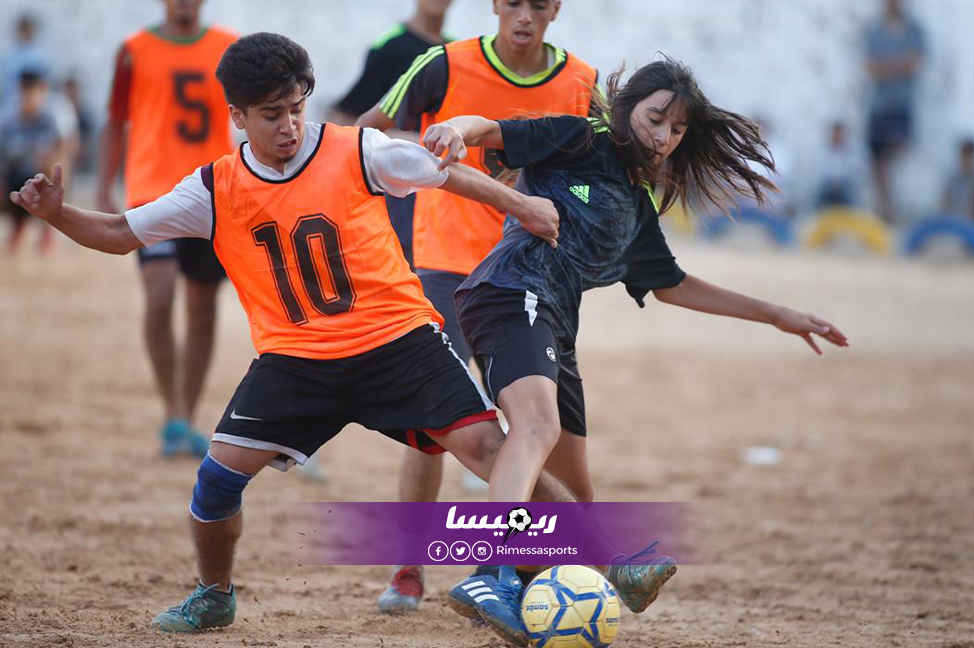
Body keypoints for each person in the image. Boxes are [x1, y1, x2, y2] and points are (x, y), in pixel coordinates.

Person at [10, 32, 685, 636]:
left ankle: (615, 564)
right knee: (215, 484)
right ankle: (214, 594)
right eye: (271, 114)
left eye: (297, 107)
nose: (289, 125)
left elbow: (445, 173)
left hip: (400, 344)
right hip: (296, 363)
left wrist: (524, 204)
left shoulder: (355, 150)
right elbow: (121, 233)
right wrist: (58, 213)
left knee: (494, 449)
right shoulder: (214, 188)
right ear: (238, 116)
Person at [417, 57, 849, 645]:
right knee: (536, 428)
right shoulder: (580, 136)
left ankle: (570, 577)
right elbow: (489, 128)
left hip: (554, 326)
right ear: (625, 110)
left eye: (676, 131)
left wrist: (777, 314)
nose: (663, 138)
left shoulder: (636, 206)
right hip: (508, 292)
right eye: (654, 119)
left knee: (577, 493)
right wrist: (455, 131)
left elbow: (672, 284)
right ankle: (492, 571)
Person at [357, 0, 598, 613]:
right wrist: (426, 155)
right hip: (444, 263)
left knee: (544, 429)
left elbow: (599, 170)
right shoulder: (442, 64)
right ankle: (409, 566)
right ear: (494, 5)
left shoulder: (581, 84)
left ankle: (528, 567)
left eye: (538, 5)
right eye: (512, 2)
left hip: (535, 274)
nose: (524, 15)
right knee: (435, 421)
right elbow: (365, 133)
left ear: (556, 9)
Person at [95, 0, 238, 457]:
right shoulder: (133, 50)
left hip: (211, 193)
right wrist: (102, 186)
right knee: (159, 295)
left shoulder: (229, 48)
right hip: (151, 194)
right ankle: (172, 411)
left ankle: (187, 417)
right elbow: (115, 122)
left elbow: (251, 115)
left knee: (203, 307)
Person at [329, 0, 453, 269]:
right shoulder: (390, 47)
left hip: (446, 187)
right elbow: (348, 117)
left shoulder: (454, 51)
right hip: (401, 191)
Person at [864, 0, 926, 224]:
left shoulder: (914, 29)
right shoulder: (875, 30)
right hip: (880, 105)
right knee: (876, 160)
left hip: (900, 104)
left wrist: (885, 67)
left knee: (892, 154)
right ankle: (886, 210)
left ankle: (890, 210)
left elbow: (915, 63)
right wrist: (900, 65)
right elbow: (872, 68)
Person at [1, 70, 61, 252]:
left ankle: (47, 229)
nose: (27, 97)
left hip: (39, 175)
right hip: (14, 174)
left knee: (50, 168)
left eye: (31, 92)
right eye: (24, 92)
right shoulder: (9, 119)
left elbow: (56, 150)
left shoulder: (49, 118)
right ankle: (18, 224)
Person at [816, 122, 866, 209]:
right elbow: (819, 171)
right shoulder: (822, 150)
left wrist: (840, 182)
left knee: (851, 192)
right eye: (835, 133)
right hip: (828, 185)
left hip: (846, 184)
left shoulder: (853, 150)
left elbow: (856, 171)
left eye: (839, 134)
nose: (837, 136)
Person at [941, 139, 974, 225]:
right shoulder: (952, 181)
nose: (966, 161)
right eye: (964, 156)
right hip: (953, 223)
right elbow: (946, 204)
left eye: (969, 157)